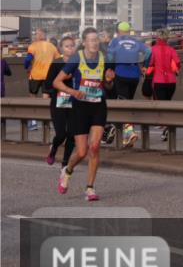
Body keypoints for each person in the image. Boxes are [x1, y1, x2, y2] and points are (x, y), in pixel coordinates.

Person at [53, 27, 115, 201]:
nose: (95, 43)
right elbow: (56, 82)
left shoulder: (105, 59)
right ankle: (68, 170)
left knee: (94, 147)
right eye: (91, 40)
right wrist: (72, 92)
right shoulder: (76, 58)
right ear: (84, 42)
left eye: (97, 40)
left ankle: (90, 188)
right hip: (80, 108)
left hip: (98, 106)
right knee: (81, 152)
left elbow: (108, 87)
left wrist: (109, 81)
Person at [105, 21, 148, 147]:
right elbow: (149, 52)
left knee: (122, 103)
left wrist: (109, 70)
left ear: (118, 31)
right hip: (135, 75)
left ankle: (129, 131)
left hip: (121, 74)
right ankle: (126, 135)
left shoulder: (115, 41)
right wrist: (145, 66)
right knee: (128, 101)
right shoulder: (136, 41)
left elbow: (110, 57)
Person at [44, 35, 77, 167]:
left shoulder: (78, 63)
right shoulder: (56, 64)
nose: (70, 49)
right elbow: (48, 84)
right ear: (61, 48)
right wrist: (62, 79)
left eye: (72, 46)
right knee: (61, 134)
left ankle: (65, 163)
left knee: (72, 134)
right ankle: (53, 150)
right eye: (67, 46)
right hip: (59, 102)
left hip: (75, 103)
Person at [147, 29, 181, 140]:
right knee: (168, 104)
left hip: (158, 81)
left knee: (161, 106)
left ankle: (166, 127)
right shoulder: (171, 50)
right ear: (167, 38)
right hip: (171, 82)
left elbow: (150, 63)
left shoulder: (153, 50)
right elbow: (177, 63)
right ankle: (168, 128)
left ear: (157, 38)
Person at [25, 29, 59, 130]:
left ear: (39, 35)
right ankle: (47, 123)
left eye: (36, 34)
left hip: (35, 75)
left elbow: (28, 59)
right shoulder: (52, 47)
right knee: (47, 98)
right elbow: (58, 60)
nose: (35, 35)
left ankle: (33, 123)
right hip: (48, 76)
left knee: (33, 97)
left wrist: (26, 67)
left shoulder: (33, 46)